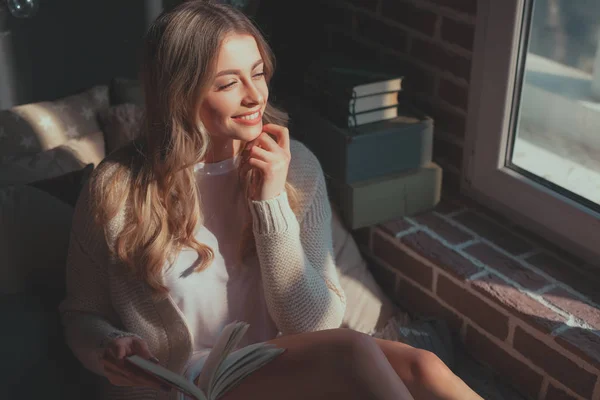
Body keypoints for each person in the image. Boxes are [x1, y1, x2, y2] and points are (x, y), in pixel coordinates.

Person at [59, 2, 483, 399]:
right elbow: (81, 313)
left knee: (425, 369)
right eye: (228, 82)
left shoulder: (295, 165)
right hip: (195, 384)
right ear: (180, 94)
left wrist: (271, 203)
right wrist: (109, 346)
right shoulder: (114, 188)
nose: (255, 95)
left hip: (293, 359)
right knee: (354, 353)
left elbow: (314, 325)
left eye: (258, 73)